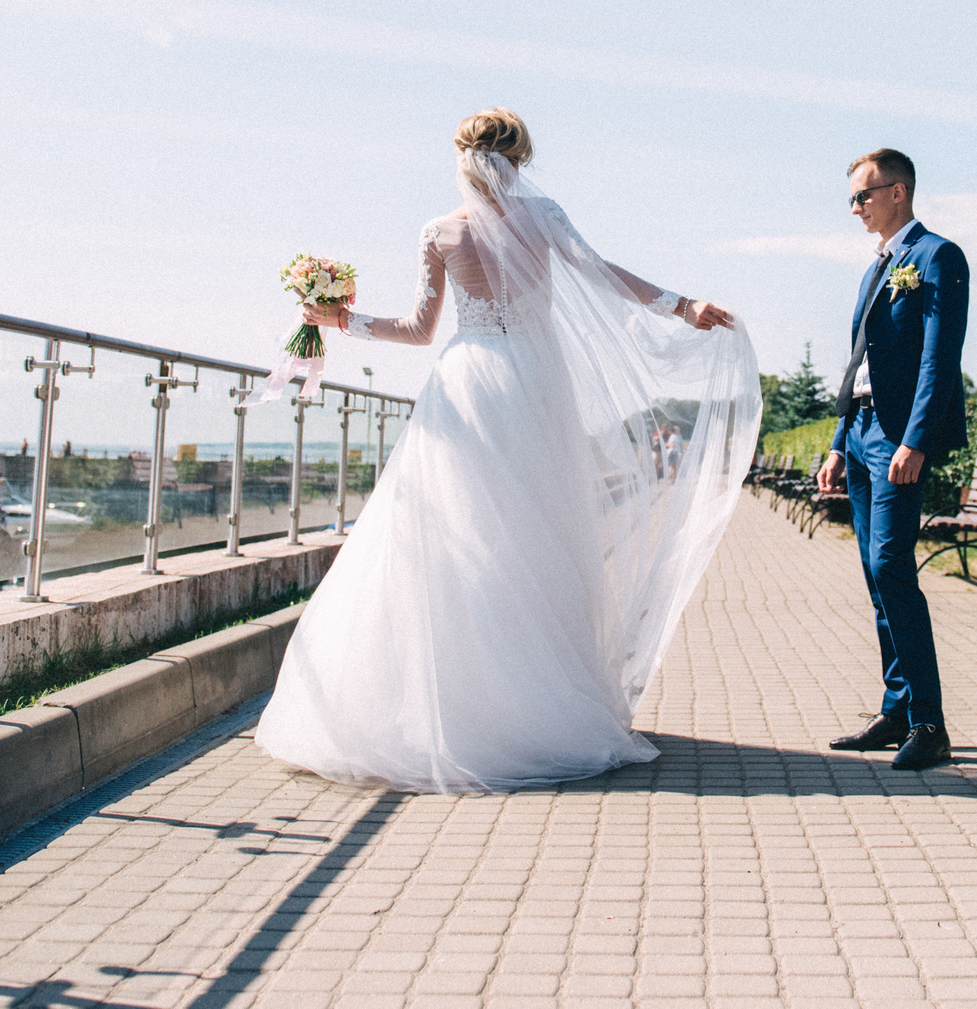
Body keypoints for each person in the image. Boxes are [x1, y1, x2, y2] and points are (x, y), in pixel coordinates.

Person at [254, 108, 758, 793]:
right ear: (518, 157)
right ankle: (536, 706)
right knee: (537, 538)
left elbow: (417, 328)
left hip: (468, 384)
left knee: (450, 541)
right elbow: (605, 275)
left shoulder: (441, 231)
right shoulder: (543, 216)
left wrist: (343, 321)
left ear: (460, 157)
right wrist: (681, 303)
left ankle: (452, 712)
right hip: (534, 385)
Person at [815, 147, 968, 771]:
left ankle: (930, 724)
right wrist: (834, 442)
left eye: (863, 195)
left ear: (898, 192)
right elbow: (859, 361)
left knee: (892, 567)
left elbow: (939, 357)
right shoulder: (877, 267)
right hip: (859, 433)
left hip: (897, 437)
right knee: (877, 578)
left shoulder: (936, 256)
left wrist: (916, 438)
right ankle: (898, 708)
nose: (855, 207)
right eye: (852, 197)